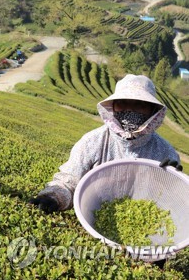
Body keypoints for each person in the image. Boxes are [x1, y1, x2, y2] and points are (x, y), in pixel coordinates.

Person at [29, 74, 182, 214]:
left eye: (139, 105)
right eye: (123, 103)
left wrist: (172, 181)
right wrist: (55, 198)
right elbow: (70, 180)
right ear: (113, 107)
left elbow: (172, 201)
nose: (130, 110)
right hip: (96, 215)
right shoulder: (93, 142)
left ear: (153, 111)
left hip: (145, 219)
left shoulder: (165, 152)